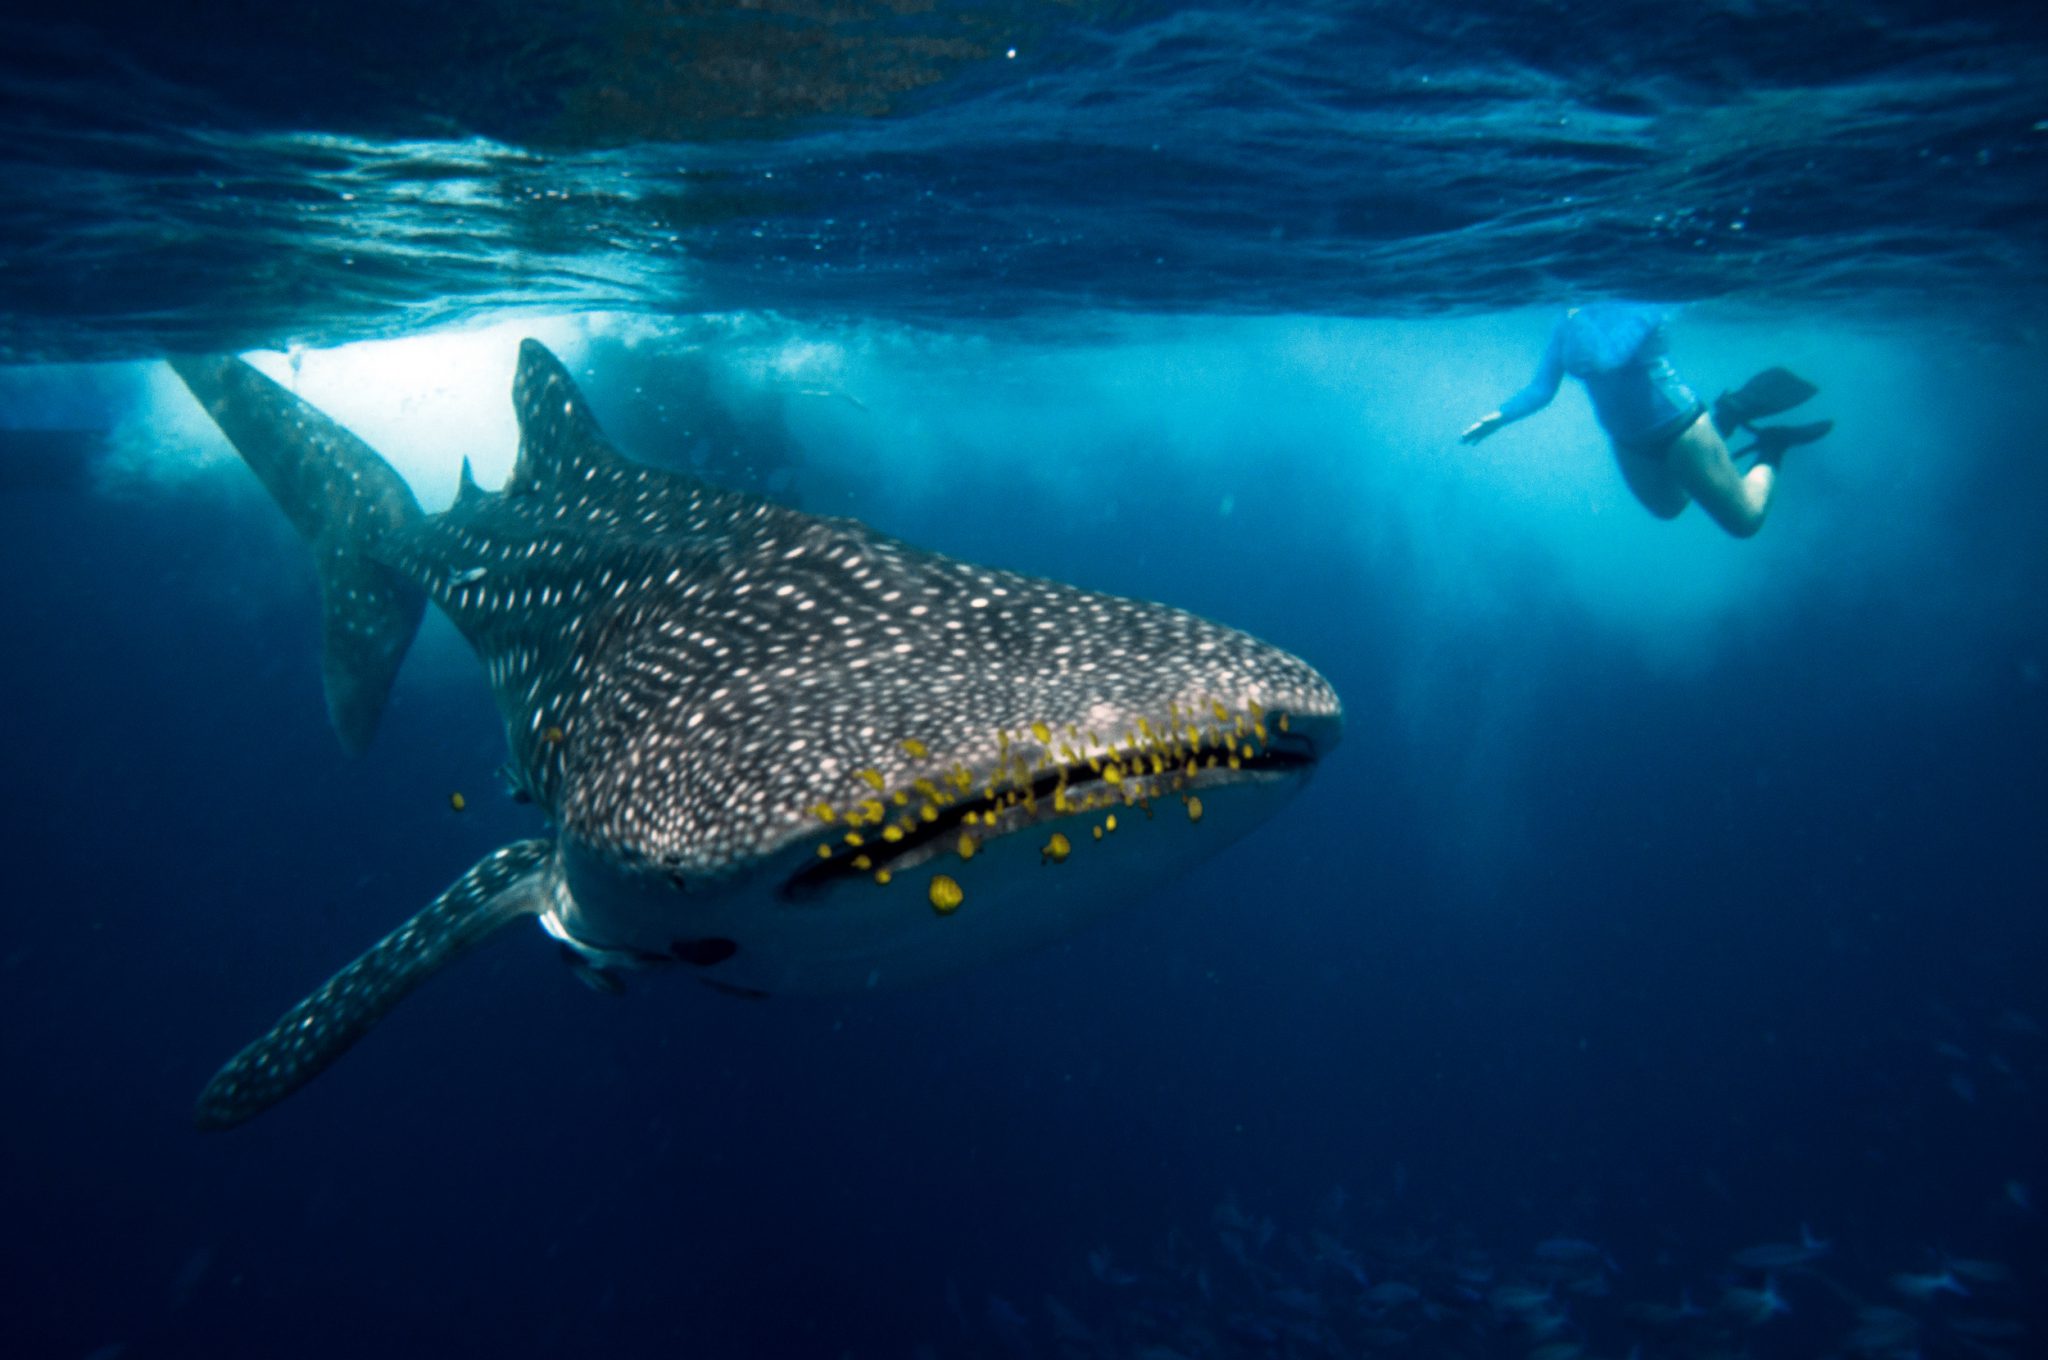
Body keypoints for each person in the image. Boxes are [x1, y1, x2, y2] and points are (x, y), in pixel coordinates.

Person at [1460, 302, 1831, 538]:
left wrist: (1577, 314)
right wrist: (1500, 416)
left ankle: (1773, 445)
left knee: (1745, 522)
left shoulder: (1637, 303)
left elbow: (1608, 358)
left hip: (1680, 428)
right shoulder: (1567, 320)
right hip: (1628, 441)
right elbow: (1542, 388)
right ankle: (1729, 414)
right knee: (1669, 508)